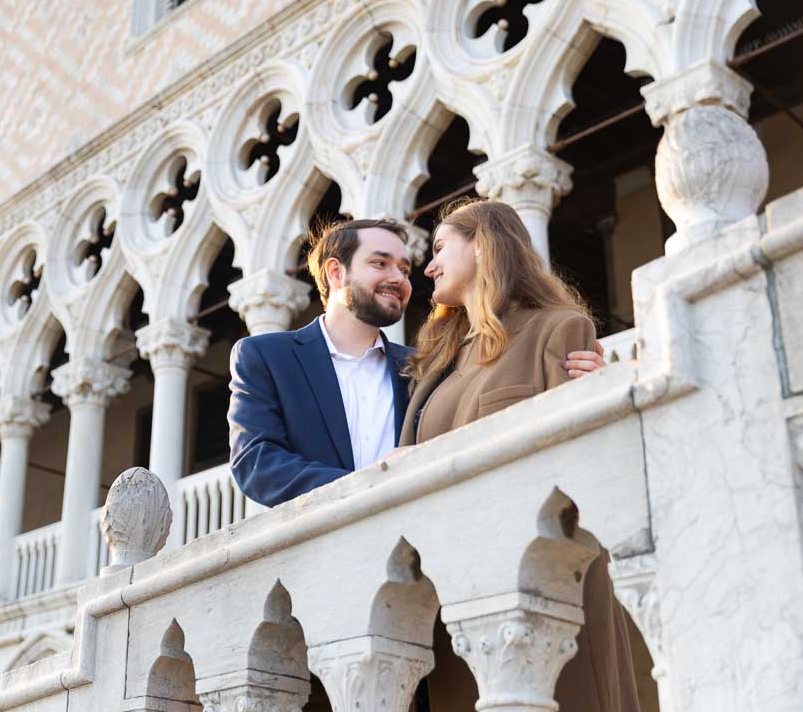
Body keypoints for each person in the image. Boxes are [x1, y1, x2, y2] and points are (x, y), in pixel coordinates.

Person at [397, 197, 648, 712]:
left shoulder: (559, 330)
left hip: (541, 595)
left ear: (483, 245)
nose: (429, 266)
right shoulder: (438, 360)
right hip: (450, 597)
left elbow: (589, 470)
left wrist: (601, 394)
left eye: (440, 248)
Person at [227, 216, 606, 508]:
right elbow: (258, 464)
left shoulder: (427, 367)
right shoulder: (265, 357)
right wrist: (372, 482)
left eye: (405, 270)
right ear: (335, 272)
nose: (399, 278)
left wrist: (594, 387)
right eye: (381, 263)